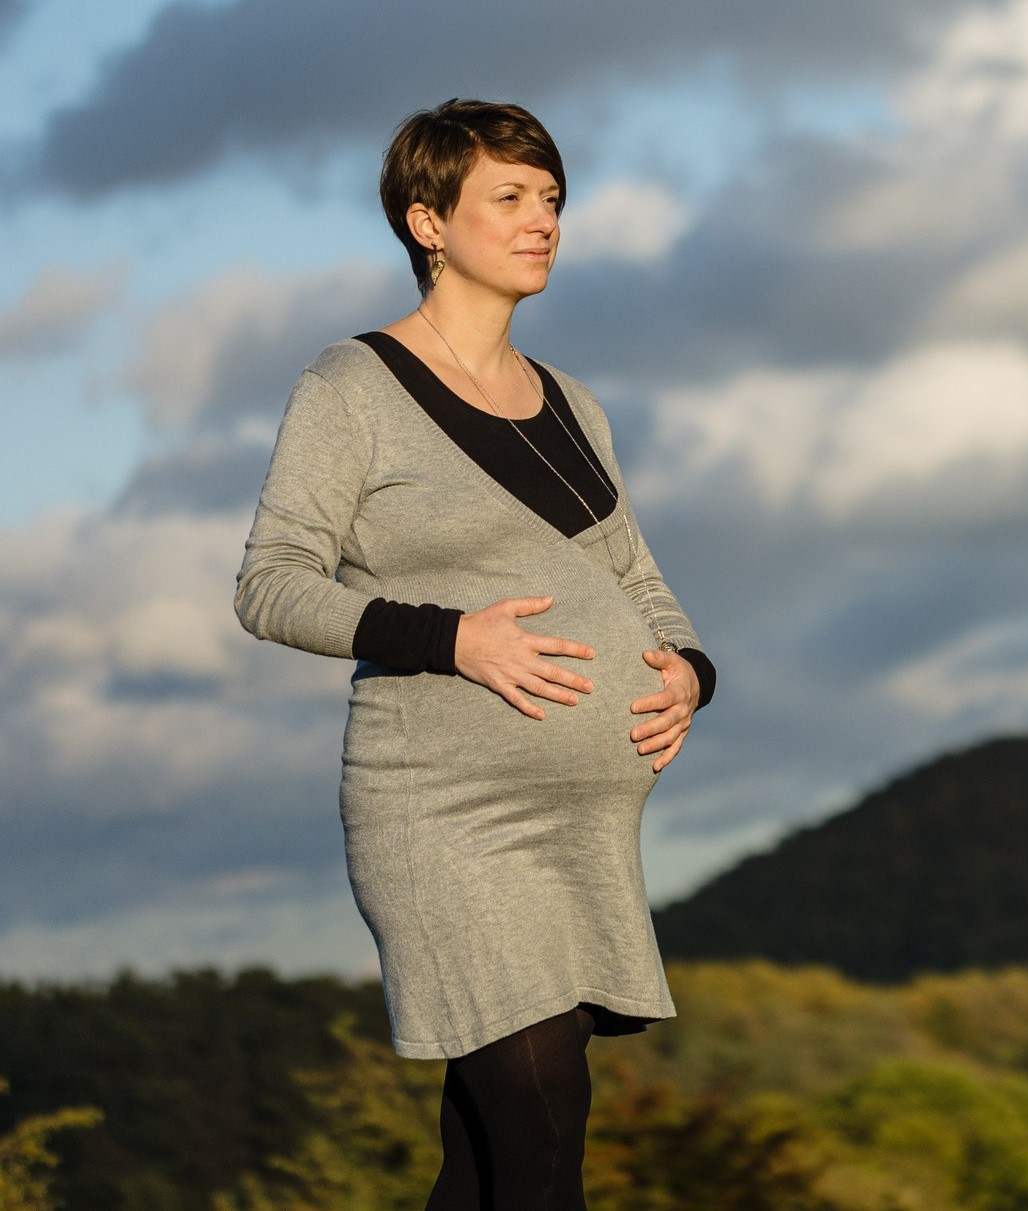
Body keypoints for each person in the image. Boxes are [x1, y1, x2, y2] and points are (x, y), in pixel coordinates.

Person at [232, 98, 715, 1210]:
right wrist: (453, 637)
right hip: (447, 815)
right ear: (428, 220)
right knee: (545, 1128)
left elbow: (636, 580)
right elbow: (271, 583)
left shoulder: (571, 405)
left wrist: (689, 668)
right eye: (510, 197)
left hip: (582, 824)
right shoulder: (351, 386)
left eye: (551, 198)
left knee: (490, 1157)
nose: (542, 218)